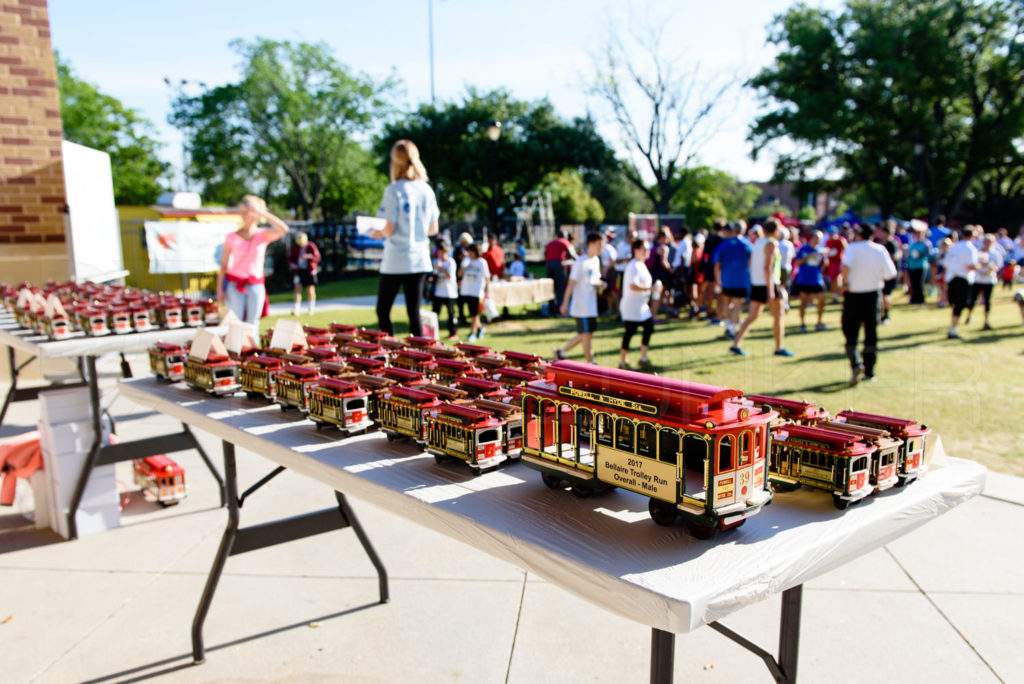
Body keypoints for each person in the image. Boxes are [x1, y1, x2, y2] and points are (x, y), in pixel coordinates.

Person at [371, 139, 439, 337]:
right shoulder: (426, 190)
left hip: (397, 259)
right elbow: (433, 228)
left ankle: (388, 356)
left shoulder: (394, 190)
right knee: (414, 313)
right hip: (419, 258)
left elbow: (389, 228)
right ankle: (419, 361)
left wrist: (377, 232)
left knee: (383, 310)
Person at [217, 194, 288, 334]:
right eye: (241, 212)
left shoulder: (263, 235)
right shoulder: (231, 237)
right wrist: (220, 289)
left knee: (252, 324)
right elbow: (224, 265)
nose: (243, 215)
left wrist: (263, 213)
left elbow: (283, 229)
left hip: (256, 284)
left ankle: (252, 354)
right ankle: (236, 354)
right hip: (235, 284)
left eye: (246, 212)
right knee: (236, 324)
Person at [840, 223, 897, 386]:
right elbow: (890, 274)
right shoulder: (879, 250)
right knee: (870, 334)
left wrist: (845, 283)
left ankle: (856, 364)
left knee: (850, 333)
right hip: (873, 295)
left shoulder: (853, 248)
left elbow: (845, 266)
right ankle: (869, 370)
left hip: (853, 295)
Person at [730, 219, 793, 357]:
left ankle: (736, 343)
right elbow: (768, 268)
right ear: (776, 230)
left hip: (758, 284)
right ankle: (779, 347)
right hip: (769, 284)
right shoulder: (771, 243)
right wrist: (770, 291)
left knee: (753, 316)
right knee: (779, 316)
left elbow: (751, 263)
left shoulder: (758, 242)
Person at [555, 232, 605, 363]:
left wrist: (601, 285)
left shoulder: (596, 260)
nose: (601, 247)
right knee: (586, 334)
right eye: (599, 244)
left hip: (591, 304)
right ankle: (591, 362)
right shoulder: (580, 262)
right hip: (581, 305)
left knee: (587, 333)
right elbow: (570, 284)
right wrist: (564, 303)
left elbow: (595, 279)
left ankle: (561, 351)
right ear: (591, 244)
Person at [619, 239, 655, 370]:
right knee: (630, 332)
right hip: (632, 306)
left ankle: (643, 358)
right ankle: (623, 361)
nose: (647, 252)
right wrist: (650, 290)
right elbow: (632, 285)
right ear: (636, 249)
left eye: (648, 249)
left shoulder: (641, 265)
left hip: (642, 306)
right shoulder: (633, 265)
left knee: (649, 328)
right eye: (644, 249)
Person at [712, 221, 752, 340]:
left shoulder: (724, 244)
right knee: (737, 305)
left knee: (727, 303)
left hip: (726, 279)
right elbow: (751, 263)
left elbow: (717, 264)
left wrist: (717, 280)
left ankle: (729, 327)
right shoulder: (746, 244)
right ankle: (732, 329)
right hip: (741, 279)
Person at [944, 227, 979, 339]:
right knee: (959, 305)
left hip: (952, 278)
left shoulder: (954, 247)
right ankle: (953, 329)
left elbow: (946, 263)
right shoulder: (970, 249)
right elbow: (971, 266)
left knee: (955, 305)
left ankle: (952, 327)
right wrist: (981, 265)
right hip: (963, 279)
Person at [793, 230, 828, 332]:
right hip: (804, 280)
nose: (818, 240)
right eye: (817, 238)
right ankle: (802, 324)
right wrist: (809, 256)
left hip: (816, 279)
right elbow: (798, 262)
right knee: (803, 302)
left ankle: (819, 322)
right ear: (812, 238)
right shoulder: (803, 249)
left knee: (822, 299)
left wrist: (824, 258)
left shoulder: (820, 250)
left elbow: (824, 265)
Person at [964, 234, 1001, 331]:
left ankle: (986, 321)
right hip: (977, 279)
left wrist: (992, 267)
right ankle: (968, 316)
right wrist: (981, 264)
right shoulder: (977, 252)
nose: (987, 244)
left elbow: (998, 266)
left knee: (987, 301)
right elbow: (972, 264)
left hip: (989, 280)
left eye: (989, 242)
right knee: (973, 299)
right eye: (985, 241)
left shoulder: (995, 254)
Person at [459, 242, 490, 341]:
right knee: (473, 314)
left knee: (475, 313)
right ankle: (480, 329)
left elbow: (487, 277)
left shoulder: (482, 262)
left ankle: (472, 332)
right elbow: (459, 274)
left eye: (470, 251)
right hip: (467, 290)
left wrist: (487, 291)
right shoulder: (466, 261)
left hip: (477, 291)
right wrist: (463, 265)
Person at [288, 232, 321, 316]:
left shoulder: (311, 246)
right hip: (298, 271)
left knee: (310, 289)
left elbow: (317, 257)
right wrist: (291, 264)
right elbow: (290, 258)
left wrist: (308, 256)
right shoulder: (295, 247)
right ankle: (296, 308)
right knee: (297, 289)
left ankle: (311, 308)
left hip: (309, 271)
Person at [432, 241, 459, 339]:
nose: (441, 254)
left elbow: (449, 276)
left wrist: (441, 267)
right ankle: (432, 333)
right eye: (439, 252)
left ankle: (453, 333)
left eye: (442, 252)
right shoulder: (436, 262)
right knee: (435, 314)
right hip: (439, 292)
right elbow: (435, 276)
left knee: (451, 314)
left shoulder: (450, 262)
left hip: (450, 292)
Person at [544, 230, 576, 314]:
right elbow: (573, 254)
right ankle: (559, 310)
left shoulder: (550, 243)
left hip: (548, 265)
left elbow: (545, 254)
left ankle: (551, 310)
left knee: (551, 288)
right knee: (560, 288)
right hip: (558, 265)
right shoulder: (564, 242)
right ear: (564, 236)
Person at [875, 223, 900, 324]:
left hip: (889, 274)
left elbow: (893, 258)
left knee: (886, 294)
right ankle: (880, 314)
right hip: (881, 273)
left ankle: (886, 315)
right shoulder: (880, 243)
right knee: (881, 295)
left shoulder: (891, 244)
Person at [905, 222, 931, 305]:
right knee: (913, 283)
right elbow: (909, 253)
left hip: (921, 265)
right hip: (912, 265)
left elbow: (928, 254)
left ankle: (921, 299)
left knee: (919, 283)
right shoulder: (913, 243)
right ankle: (914, 299)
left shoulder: (926, 243)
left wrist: (921, 254)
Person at [825, 228, 848, 303]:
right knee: (832, 280)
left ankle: (840, 295)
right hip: (831, 263)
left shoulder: (840, 240)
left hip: (839, 263)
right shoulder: (828, 241)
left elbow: (847, 249)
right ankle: (835, 296)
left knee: (838, 279)